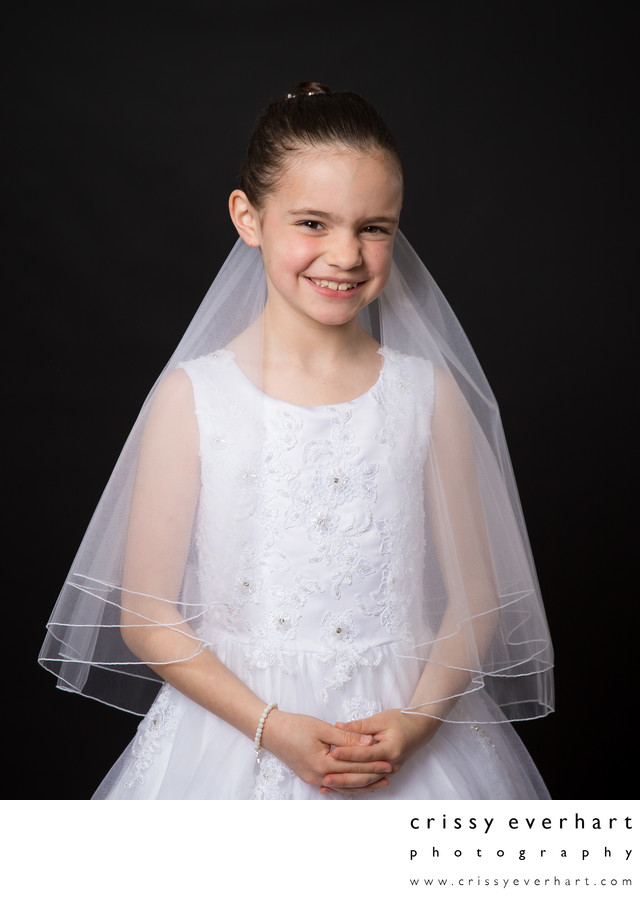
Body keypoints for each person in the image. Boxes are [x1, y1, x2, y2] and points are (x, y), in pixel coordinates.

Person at [39, 82, 554, 799]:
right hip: (236, 735)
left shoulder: (427, 397)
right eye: (313, 222)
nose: (345, 254)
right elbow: (147, 616)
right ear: (248, 218)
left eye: (375, 227)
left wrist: (415, 720)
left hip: (405, 732)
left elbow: (476, 601)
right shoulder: (194, 398)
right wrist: (272, 727)